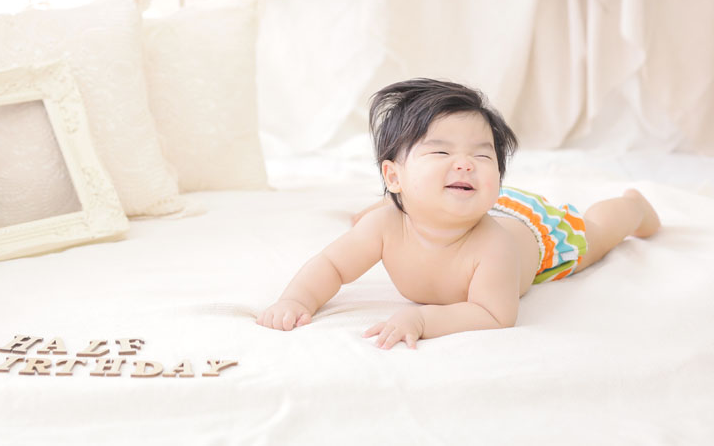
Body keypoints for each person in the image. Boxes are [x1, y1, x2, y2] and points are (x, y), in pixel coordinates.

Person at [257, 78, 661, 349]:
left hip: (536, 233)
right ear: (393, 176)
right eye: (441, 151)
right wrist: (297, 299)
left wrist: (423, 321)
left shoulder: (492, 246)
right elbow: (331, 265)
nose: (466, 163)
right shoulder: (383, 226)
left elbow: (494, 314)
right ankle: (396, 196)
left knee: (594, 234)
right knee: (383, 217)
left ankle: (633, 207)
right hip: (445, 202)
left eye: (483, 156)